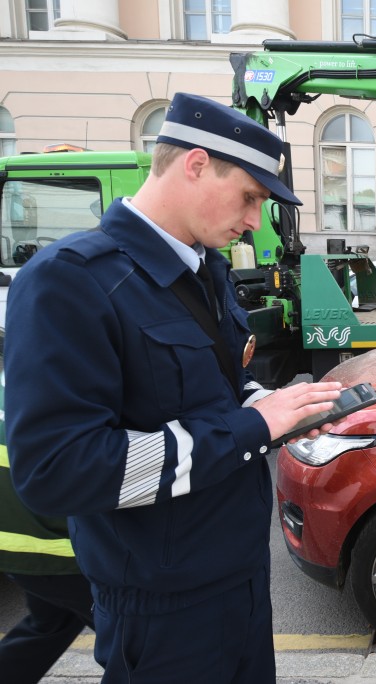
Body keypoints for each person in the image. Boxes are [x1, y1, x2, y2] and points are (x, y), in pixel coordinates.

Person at [5, 92, 347, 684]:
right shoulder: (70, 281)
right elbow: (57, 471)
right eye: (249, 197)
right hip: (162, 609)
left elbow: (214, 394)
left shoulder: (205, 269)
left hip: (237, 580)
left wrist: (277, 408)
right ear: (194, 164)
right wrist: (252, 427)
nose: (252, 221)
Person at [0, 352, 95, 684]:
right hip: (53, 545)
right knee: (136, 638)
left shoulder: (25, 373)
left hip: (14, 543)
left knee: (50, 624)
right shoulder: (82, 381)